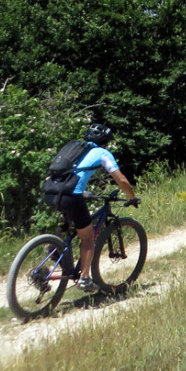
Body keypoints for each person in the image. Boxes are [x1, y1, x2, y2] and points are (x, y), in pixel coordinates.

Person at [55, 123, 140, 293]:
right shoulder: (102, 153)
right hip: (71, 195)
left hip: (53, 192)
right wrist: (132, 197)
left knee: (70, 225)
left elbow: (71, 175)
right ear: (105, 141)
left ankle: (54, 246)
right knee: (87, 239)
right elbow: (121, 180)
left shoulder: (75, 149)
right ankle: (85, 279)